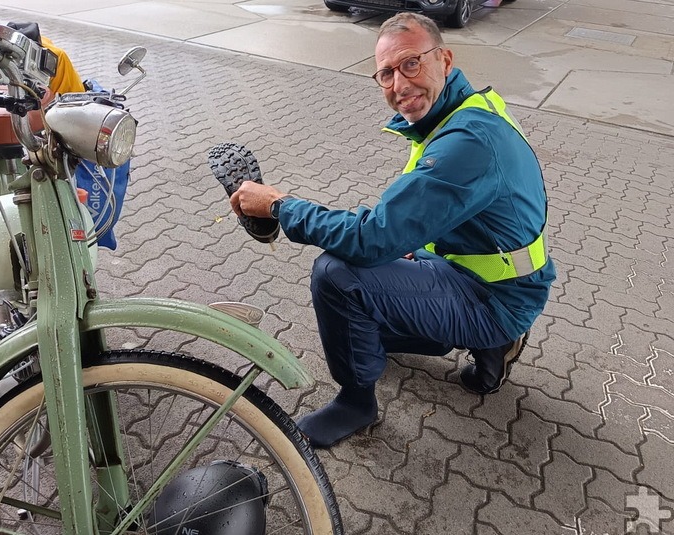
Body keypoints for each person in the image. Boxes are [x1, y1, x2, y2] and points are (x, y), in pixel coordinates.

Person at [227, 12, 556, 448]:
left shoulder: (466, 142)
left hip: (494, 298)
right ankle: (487, 344)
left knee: (337, 277)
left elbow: (371, 238)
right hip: (491, 276)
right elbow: (424, 217)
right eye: (386, 73)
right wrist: (400, 245)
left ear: (445, 59)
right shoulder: (464, 111)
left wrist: (279, 206)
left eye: (411, 64)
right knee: (368, 311)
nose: (399, 85)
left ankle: (356, 403)